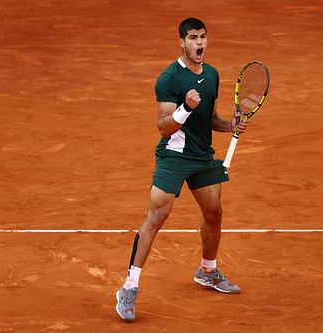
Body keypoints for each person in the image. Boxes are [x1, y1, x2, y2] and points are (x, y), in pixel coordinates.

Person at [115, 17, 248, 322]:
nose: (199, 42)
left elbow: (210, 119)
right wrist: (184, 107)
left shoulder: (212, 75)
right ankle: (129, 288)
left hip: (201, 156)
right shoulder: (169, 79)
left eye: (202, 37)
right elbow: (163, 127)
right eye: (192, 38)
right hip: (174, 157)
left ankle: (208, 271)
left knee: (214, 212)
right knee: (157, 217)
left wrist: (230, 125)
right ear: (182, 43)